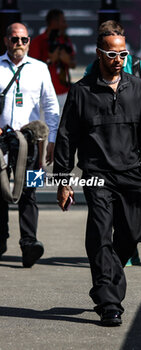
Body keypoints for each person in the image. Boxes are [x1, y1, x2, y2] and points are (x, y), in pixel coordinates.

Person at [53, 22, 141, 326]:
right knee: (100, 235)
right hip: (97, 176)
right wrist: (63, 181)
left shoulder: (137, 88)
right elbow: (66, 136)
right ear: (99, 54)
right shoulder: (81, 91)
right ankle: (110, 302)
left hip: (133, 174)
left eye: (123, 54)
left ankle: (109, 280)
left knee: (133, 233)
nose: (118, 60)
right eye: (112, 54)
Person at [84, 20, 141, 267]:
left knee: (133, 209)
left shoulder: (140, 67)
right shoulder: (92, 69)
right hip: (105, 152)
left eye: (117, 38)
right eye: (107, 41)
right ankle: (113, 254)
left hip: (135, 150)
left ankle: (127, 245)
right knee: (104, 212)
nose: (115, 54)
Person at [0, 23, 59, 267]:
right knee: (1, 191)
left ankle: (29, 244)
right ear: (6, 41)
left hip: (32, 143)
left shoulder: (40, 69)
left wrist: (52, 140)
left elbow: (52, 107)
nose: (19, 44)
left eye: (24, 40)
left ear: (29, 42)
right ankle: (0, 239)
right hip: (2, 142)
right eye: (15, 40)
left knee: (30, 193)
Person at [29, 8, 76, 112]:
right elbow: (31, 69)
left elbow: (73, 64)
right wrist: (50, 60)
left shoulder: (65, 40)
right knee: (44, 127)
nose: (66, 25)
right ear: (54, 22)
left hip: (64, 91)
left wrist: (67, 60)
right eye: (63, 21)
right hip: (44, 93)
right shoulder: (38, 41)